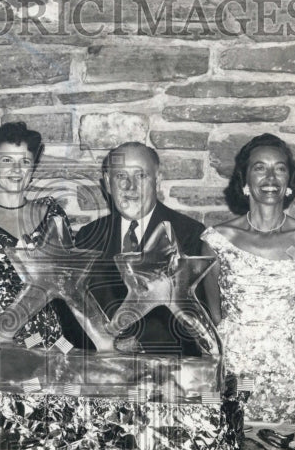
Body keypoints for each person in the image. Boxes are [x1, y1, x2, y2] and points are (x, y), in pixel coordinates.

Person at [200, 134, 295, 424]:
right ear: (244, 181)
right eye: (260, 167)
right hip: (234, 369)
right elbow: (214, 315)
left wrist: (289, 357)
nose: (270, 177)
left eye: (280, 168)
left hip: (289, 373)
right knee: (230, 441)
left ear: (290, 181)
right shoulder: (217, 240)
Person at [74, 142, 205, 357]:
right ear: (107, 183)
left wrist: (138, 343)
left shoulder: (189, 234)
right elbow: (77, 311)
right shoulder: (88, 236)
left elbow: (193, 316)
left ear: (158, 181)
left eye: (141, 176)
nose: (130, 187)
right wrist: (105, 343)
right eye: (121, 177)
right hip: (101, 369)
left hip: (166, 370)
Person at [0, 122, 73, 348]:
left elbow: (69, 283)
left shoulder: (53, 215)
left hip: (49, 345)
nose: (16, 169)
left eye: (25, 161)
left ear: (32, 168)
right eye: (7, 160)